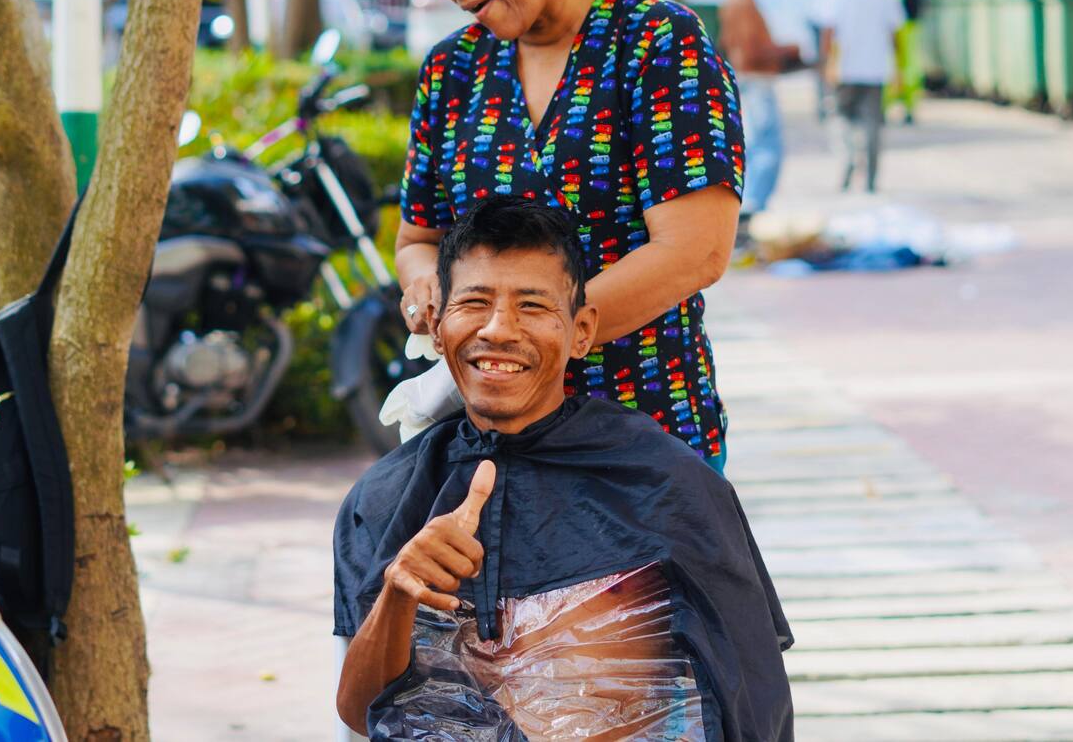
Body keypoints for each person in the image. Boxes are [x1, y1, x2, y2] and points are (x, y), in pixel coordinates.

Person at [335, 196, 794, 741]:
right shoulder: (383, 501)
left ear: (581, 331)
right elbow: (358, 712)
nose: (500, 329)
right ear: (437, 327)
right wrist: (399, 590)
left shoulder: (666, 488)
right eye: (475, 302)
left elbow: (752, 701)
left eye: (532, 306)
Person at [396, 0, 744, 474]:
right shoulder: (452, 70)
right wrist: (425, 283)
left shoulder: (657, 42)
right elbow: (418, 236)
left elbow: (695, 250)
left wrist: (531, 339)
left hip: (641, 439)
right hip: (488, 448)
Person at [718, 0, 799, 221]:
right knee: (766, 147)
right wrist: (786, 50)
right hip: (755, 80)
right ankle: (752, 209)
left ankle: (752, 208)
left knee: (759, 144)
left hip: (753, 80)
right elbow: (748, 52)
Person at [816, 0, 906, 192]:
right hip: (876, 67)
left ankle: (847, 157)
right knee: (872, 122)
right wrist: (898, 66)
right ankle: (871, 179)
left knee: (839, 116)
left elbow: (827, 29)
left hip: (844, 66)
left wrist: (826, 63)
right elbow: (895, 31)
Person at [868, 0, 923, 124]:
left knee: (886, 64)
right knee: (907, 65)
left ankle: (884, 107)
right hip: (906, 25)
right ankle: (908, 107)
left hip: (888, 25)